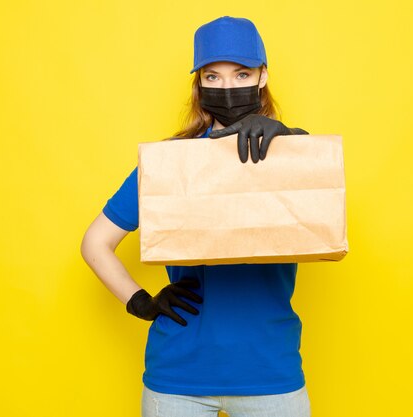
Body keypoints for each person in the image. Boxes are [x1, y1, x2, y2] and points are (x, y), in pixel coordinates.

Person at [81, 16, 311, 417]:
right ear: (199, 84)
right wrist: (140, 302)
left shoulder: (291, 153)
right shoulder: (168, 165)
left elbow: (321, 204)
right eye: (212, 76)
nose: (227, 87)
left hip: (270, 374)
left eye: (241, 73)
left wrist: (288, 137)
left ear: (262, 77)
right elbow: (94, 243)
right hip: (177, 380)